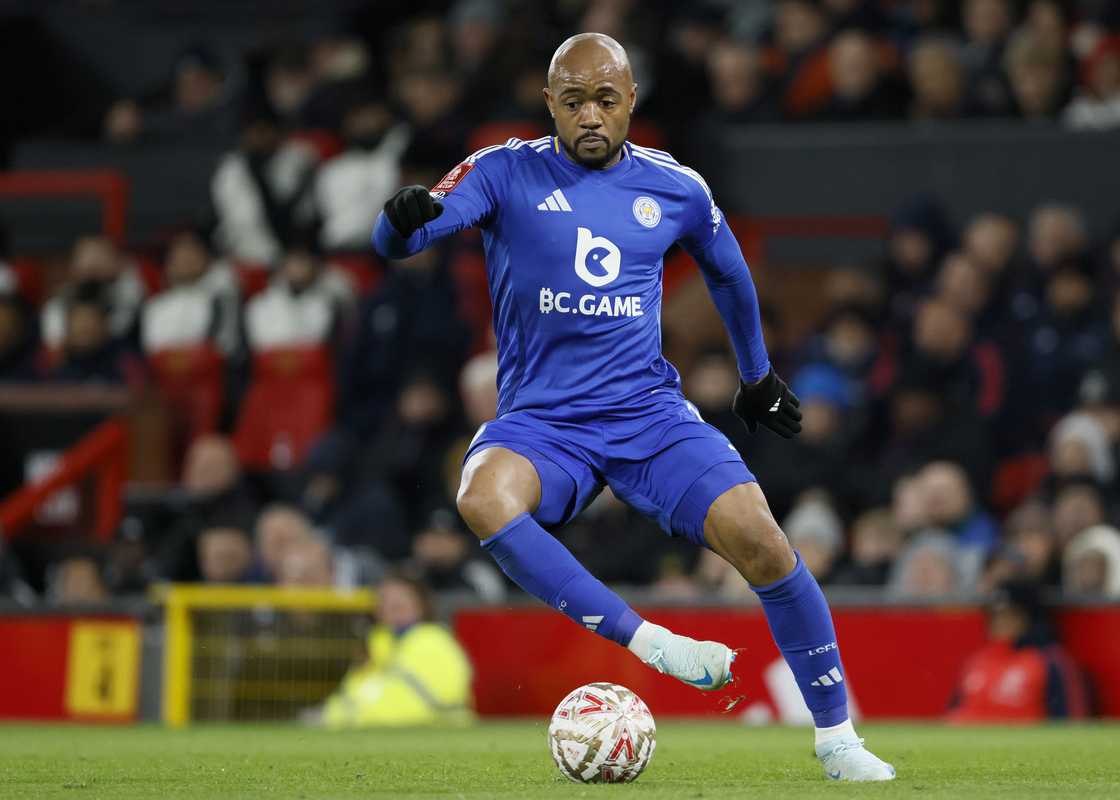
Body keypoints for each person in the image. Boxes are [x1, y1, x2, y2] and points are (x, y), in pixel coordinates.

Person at [372, 33, 893, 781]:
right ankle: (652, 643)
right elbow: (404, 235)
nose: (590, 116)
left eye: (605, 100)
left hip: (647, 415)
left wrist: (755, 376)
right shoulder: (504, 171)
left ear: (630, 104)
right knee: (481, 494)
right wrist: (397, 221)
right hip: (545, 423)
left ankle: (839, 738)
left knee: (765, 541)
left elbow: (731, 275)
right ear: (551, 104)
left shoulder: (675, 187)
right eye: (574, 101)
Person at [317, 572, 473, 728]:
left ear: (421, 604)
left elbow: (426, 705)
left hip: (434, 733)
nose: (393, 604)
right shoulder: (376, 645)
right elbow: (350, 695)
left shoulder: (433, 641)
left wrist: (354, 717)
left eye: (401, 598)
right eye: (385, 599)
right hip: (375, 732)